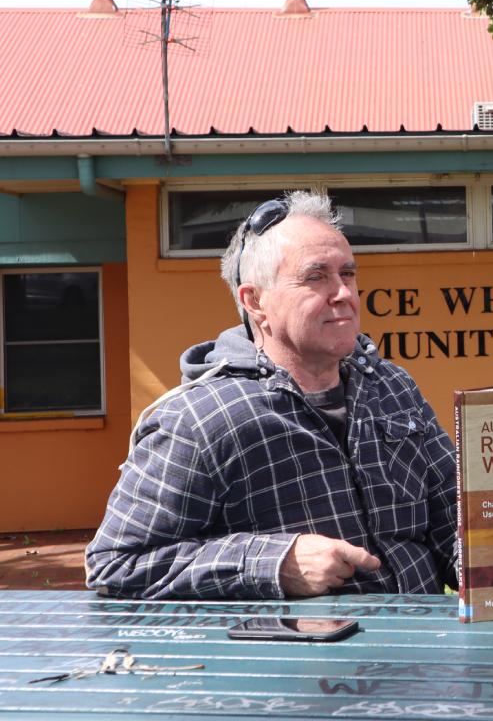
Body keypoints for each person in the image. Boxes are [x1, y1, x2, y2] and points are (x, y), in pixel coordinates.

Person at [86, 191, 458, 599]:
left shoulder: (391, 387)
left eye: (347, 274)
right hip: (303, 658)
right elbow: (116, 564)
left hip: (424, 651)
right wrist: (274, 563)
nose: (344, 294)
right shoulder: (199, 419)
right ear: (255, 301)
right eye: (316, 277)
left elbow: (453, 521)